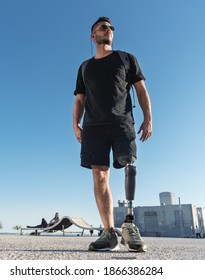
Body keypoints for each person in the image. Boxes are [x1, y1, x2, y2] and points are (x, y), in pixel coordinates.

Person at [73, 17, 152, 252]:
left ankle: (128, 226)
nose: (109, 30)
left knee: (129, 165)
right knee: (99, 176)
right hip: (93, 127)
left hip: (122, 123)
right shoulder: (85, 67)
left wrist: (148, 117)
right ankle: (108, 233)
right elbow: (79, 99)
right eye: (103, 27)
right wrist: (75, 124)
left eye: (111, 28)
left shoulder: (126, 58)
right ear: (93, 35)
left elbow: (141, 89)